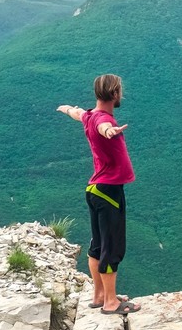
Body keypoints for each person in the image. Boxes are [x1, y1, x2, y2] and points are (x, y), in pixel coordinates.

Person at [57, 74, 138, 314]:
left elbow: (78, 114)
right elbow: (104, 128)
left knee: (98, 245)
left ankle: (99, 295)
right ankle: (111, 303)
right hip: (109, 191)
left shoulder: (90, 115)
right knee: (111, 248)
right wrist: (109, 132)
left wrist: (67, 109)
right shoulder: (103, 121)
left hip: (95, 190)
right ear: (114, 94)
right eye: (119, 91)